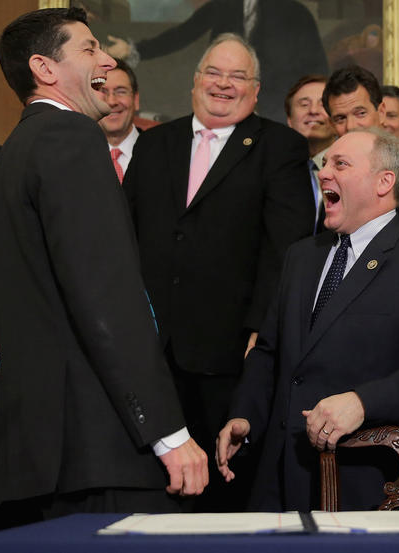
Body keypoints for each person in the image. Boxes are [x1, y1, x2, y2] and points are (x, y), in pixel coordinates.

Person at [0, 7, 207, 526]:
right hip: (97, 443)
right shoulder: (70, 138)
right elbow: (104, 297)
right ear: (45, 68)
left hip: (44, 448)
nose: (107, 58)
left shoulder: (17, 148)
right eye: (89, 49)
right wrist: (168, 434)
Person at [216, 128, 399, 511]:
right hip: (278, 481)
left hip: (364, 487)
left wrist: (362, 402)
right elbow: (269, 351)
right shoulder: (300, 257)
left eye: (341, 164)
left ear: (384, 181)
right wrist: (244, 416)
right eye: (324, 164)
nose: (323, 173)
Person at [122, 33, 312, 511]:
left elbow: (286, 251)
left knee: (223, 489)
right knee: (150, 487)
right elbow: (125, 238)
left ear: (256, 88)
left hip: (230, 353)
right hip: (150, 350)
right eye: (214, 73)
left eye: (237, 76)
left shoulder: (281, 147)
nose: (223, 85)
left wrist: (260, 331)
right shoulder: (153, 143)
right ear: (195, 81)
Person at [104, 0, 329, 123]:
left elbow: (316, 66)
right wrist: (136, 50)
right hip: (227, 103)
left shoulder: (295, 12)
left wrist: (315, 104)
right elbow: (182, 34)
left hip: (277, 108)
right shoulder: (224, 5)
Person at [322, 65, 399, 240]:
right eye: (340, 118)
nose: (351, 126)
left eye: (360, 113)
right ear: (332, 124)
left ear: (381, 112)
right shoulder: (330, 180)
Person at [284, 74, 336, 233]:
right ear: (290, 120)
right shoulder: (276, 170)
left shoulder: (353, 169)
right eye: (304, 104)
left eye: (323, 104)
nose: (313, 111)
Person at [98, 59, 140, 183]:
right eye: (102, 92)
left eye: (121, 92)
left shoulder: (161, 154)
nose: (111, 101)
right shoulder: (75, 158)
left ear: (136, 100)